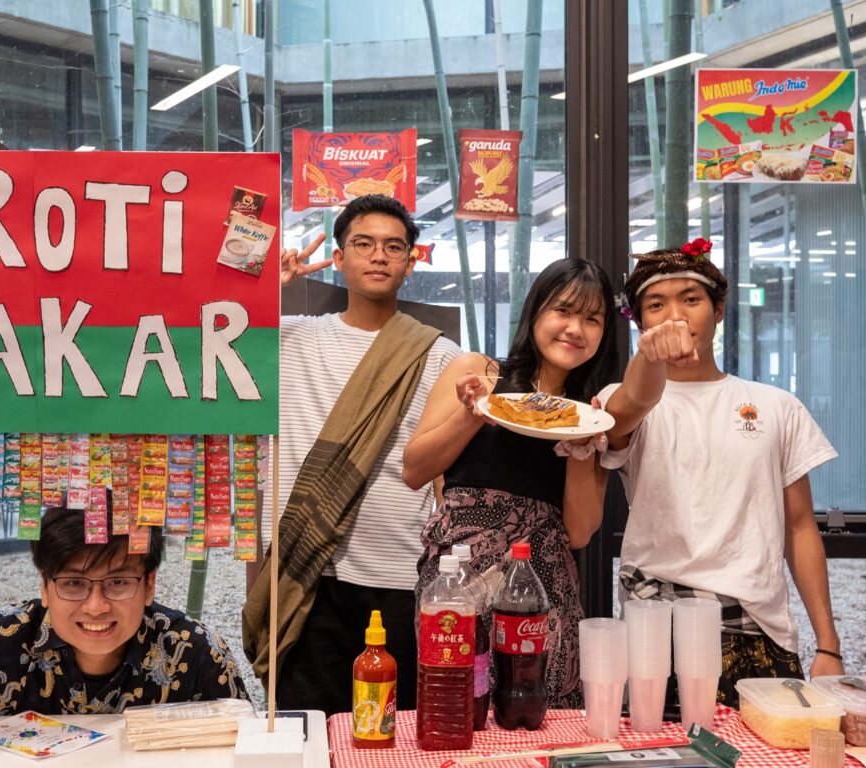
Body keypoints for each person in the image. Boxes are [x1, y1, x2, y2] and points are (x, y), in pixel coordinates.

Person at [241, 194, 461, 716]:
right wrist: (262, 288)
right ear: (338, 258)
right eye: (363, 244)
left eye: (393, 246)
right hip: (305, 570)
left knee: (392, 732)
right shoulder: (289, 338)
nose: (379, 256)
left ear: (412, 260)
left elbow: (441, 474)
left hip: (397, 573)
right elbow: (203, 342)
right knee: (308, 730)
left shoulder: (440, 355)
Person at [600, 238, 844, 705]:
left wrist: (827, 643)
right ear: (639, 322)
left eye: (690, 299)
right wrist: (649, 359)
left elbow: (799, 527)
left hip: (762, 630)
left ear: (718, 310)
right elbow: (626, 412)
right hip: (659, 634)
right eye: (656, 304)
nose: (675, 315)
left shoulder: (777, 405)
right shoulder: (621, 400)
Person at [404, 258, 619, 708]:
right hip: (457, 577)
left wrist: (583, 446)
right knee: (457, 704)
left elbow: (579, 532)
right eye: (563, 310)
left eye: (592, 318)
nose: (575, 328)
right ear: (536, 312)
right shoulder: (479, 373)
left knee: (537, 709)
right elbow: (415, 470)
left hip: (542, 582)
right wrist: (471, 413)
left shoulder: (594, 412)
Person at [0, 502, 247, 722]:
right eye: (74, 583)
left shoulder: (197, 654)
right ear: (44, 586)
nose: (96, 607)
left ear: (149, 585)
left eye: (118, 582)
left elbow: (245, 746)